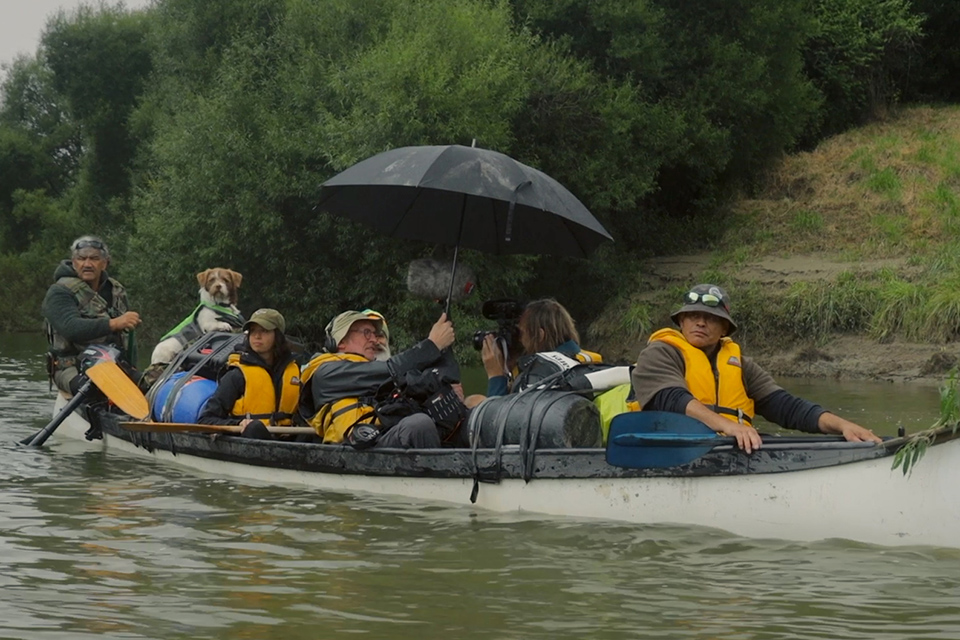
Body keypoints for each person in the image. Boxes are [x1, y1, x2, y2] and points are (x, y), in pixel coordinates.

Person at [631, 284, 882, 453]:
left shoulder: (741, 365)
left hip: (725, 450)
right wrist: (729, 426)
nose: (700, 322)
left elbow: (785, 406)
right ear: (681, 321)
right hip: (669, 450)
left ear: (725, 328)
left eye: (710, 318)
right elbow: (671, 398)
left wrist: (843, 425)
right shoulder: (660, 352)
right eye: (693, 316)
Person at [299, 310, 457, 448]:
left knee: (457, 418)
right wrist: (432, 345)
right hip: (353, 449)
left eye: (375, 334)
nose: (374, 340)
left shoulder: (371, 369)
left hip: (384, 436)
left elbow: (418, 378)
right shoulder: (327, 373)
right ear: (341, 342)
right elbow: (391, 370)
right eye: (366, 333)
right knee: (419, 424)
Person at [42, 235, 141, 395]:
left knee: (148, 384)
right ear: (74, 262)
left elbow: (126, 338)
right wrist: (114, 323)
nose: (87, 264)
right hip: (69, 366)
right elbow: (71, 327)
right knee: (91, 390)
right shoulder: (58, 292)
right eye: (81, 259)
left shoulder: (115, 290)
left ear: (105, 263)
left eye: (94, 259)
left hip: (112, 363)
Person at [197, 308, 304, 440]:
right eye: (253, 331)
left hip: (289, 440)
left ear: (277, 335)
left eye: (264, 331)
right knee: (255, 428)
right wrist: (238, 424)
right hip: (252, 439)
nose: (257, 336)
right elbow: (206, 419)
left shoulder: (295, 371)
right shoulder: (237, 375)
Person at [479, 298, 602, 399]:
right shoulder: (586, 360)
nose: (520, 340)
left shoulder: (539, 376)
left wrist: (496, 376)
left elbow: (498, 418)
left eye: (521, 333)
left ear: (539, 335)